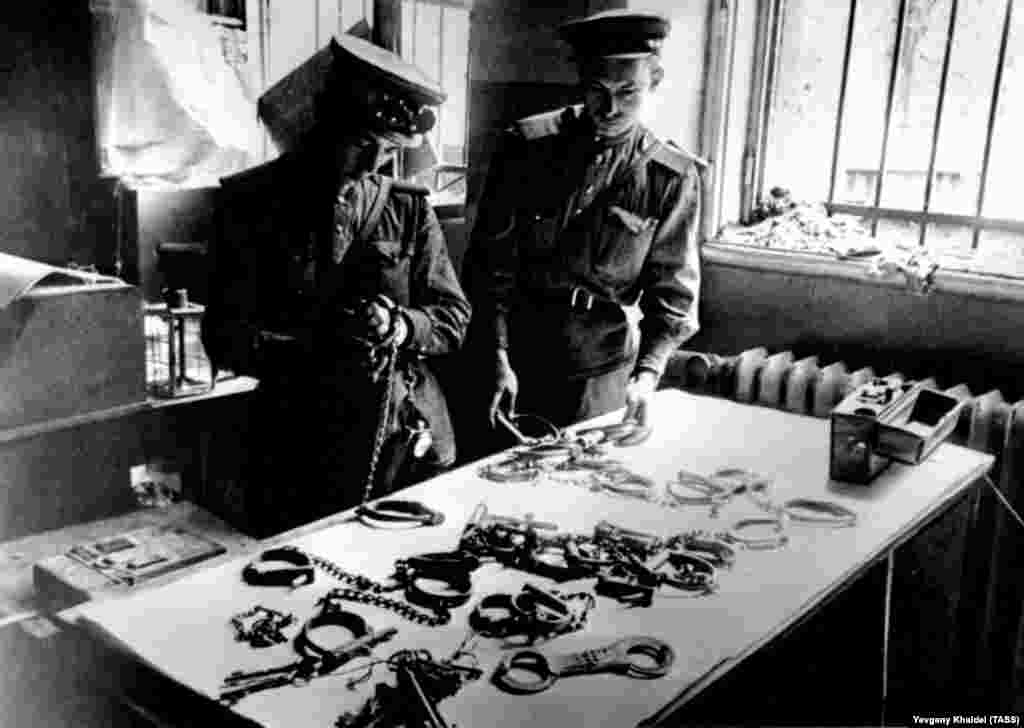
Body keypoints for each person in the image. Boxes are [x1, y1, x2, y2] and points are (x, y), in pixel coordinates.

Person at [202, 34, 471, 536]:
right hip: (297, 441)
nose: (373, 164)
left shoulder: (407, 208)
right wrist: (316, 349)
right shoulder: (250, 204)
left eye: (389, 151)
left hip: (396, 435)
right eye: (362, 143)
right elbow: (223, 335)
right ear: (323, 125)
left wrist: (400, 326)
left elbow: (453, 317)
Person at [459, 9, 704, 452]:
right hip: (515, 361)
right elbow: (488, 266)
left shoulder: (671, 177)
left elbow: (674, 296)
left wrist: (647, 376)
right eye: (598, 90)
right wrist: (495, 356)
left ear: (655, 81)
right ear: (581, 81)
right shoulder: (527, 148)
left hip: (601, 371)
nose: (610, 108)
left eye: (628, 92)